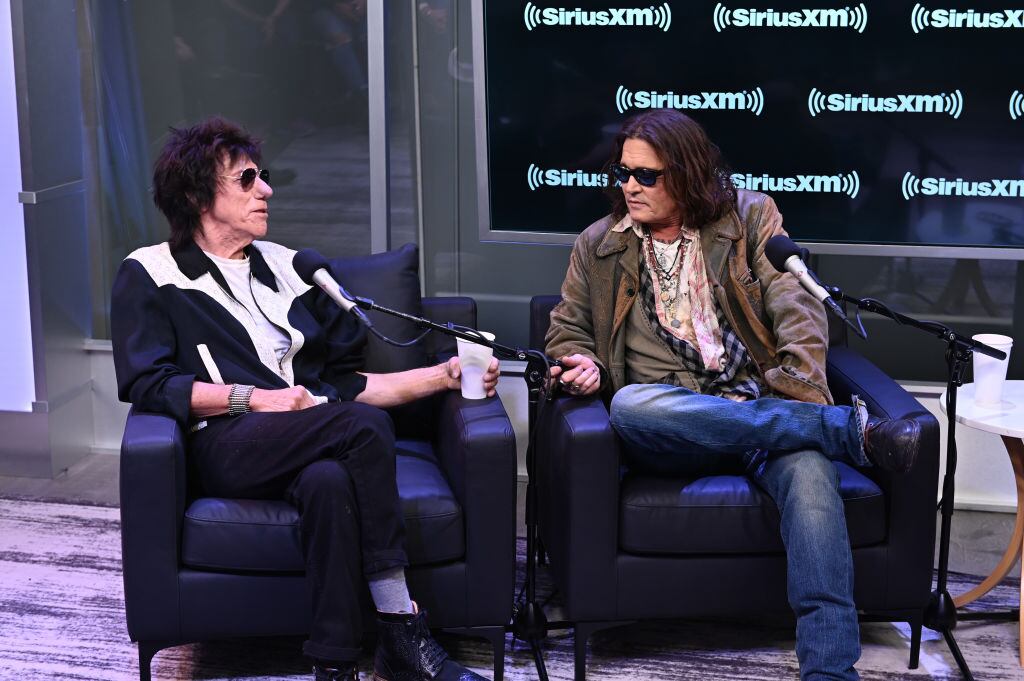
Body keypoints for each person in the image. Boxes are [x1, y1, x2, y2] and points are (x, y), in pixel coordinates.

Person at [110, 116, 496, 681]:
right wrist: (253, 400)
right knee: (361, 428)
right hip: (226, 444)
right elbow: (148, 384)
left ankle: (334, 663)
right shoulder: (152, 273)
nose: (266, 190)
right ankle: (401, 627)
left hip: (306, 437)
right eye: (246, 180)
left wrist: (442, 375)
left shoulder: (289, 269)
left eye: (263, 177)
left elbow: (343, 387)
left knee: (330, 483)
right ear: (196, 196)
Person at [545, 109, 921, 680]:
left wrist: (799, 393)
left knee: (809, 469)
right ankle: (849, 432)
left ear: (689, 175)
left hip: (759, 406)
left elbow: (798, 311)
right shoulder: (597, 246)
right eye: (623, 173)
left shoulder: (749, 218)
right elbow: (567, 329)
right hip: (670, 423)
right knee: (629, 406)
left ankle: (829, 671)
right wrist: (584, 362)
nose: (628, 187)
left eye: (646, 176)